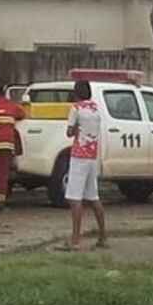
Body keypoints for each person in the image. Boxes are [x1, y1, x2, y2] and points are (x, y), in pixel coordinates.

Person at [62, 80, 106, 251]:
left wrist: (74, 129)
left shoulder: (76, 109)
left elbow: (69, 132)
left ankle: (75, 240)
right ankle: (102, 236)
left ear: (76, 93)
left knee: (75, 198)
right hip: (92, 156)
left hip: (79, 156)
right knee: (93, 197)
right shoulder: (95, 109)